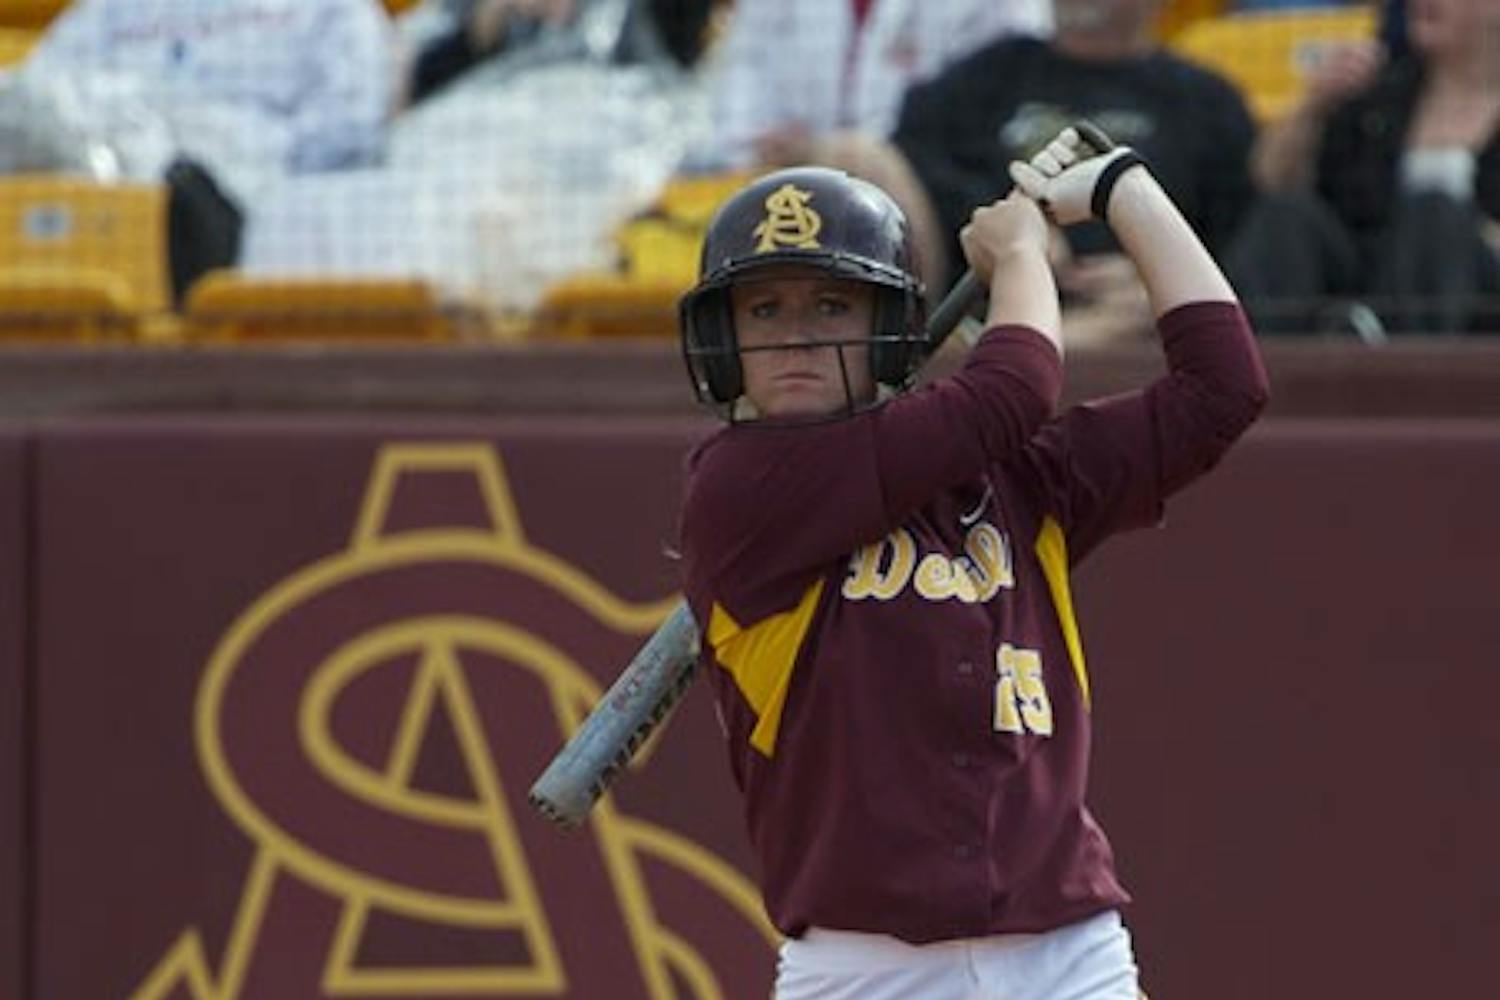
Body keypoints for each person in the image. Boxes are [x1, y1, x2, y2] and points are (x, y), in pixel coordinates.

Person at [675, 126, 1268, 998]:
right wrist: (1022, 256)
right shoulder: (737, 484)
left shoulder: (1017, 478)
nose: (795, 338)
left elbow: (1224, 387)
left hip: (1067, 954)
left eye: (830, 307)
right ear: (724, 342)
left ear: (890, 327)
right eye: (765, 312)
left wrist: (1125, 192)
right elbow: (1014, 389)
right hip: (861, 967)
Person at [884, 0, 1256, 341]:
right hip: (989, 284)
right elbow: (919, 166)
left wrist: (1152, 266)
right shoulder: (985, 76)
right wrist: (1019, 233)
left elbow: (1235, 224)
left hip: (1137, 304)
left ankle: (1022, 351)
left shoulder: (1206, 99)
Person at [1226, 0, 1500, 335]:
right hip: (1365, 285)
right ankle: (1262, 369)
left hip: (1480, 301)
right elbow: (1270, 180)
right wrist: (1314, 106)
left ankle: (1421, 374)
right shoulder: (1377, 98)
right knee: (1287, 215)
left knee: (1436, 212)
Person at [693, 0, 1052, 172]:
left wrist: (836, 152)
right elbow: (741, 83)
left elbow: (988, 110)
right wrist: (755, 143)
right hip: (781, 175)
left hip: (931, 186)